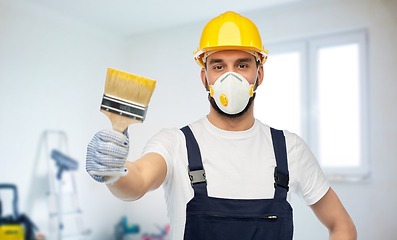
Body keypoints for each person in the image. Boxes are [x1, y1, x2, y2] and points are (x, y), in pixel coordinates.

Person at [86, 11, 357, 240]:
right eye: (218, 66)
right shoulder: (175, 143)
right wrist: (114, 170)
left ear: (258, 74)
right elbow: (137, 182)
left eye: (241, 65)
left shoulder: (289, 148)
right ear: (204, 78)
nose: (231, 76)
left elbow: (342, 225)